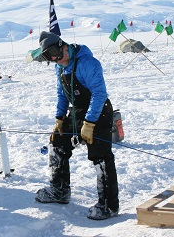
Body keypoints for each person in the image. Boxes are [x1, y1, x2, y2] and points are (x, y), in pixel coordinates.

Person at [35, 31, 119, 220]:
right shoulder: (60, 66)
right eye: (51, 57)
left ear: (63, 45)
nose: (57, 59)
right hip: (78, 110)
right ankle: (59, 191)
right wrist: (59, 118)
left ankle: (108, 205)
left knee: (101, 156)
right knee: (58, 143)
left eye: (57, 53)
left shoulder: (88, 63)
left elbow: (99, 94)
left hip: (99, 111)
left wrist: (89, 123)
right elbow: (62, 94)